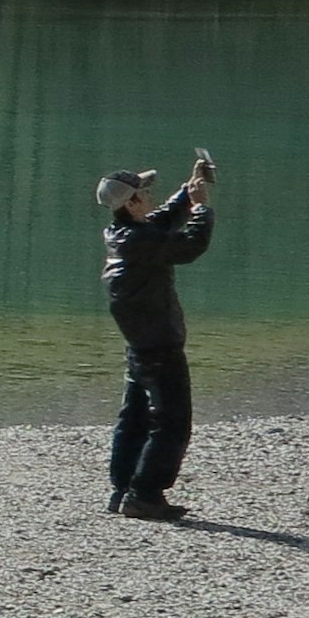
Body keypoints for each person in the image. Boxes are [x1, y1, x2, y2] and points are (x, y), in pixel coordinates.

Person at [101, 149, 216, 521]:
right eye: (143, 193)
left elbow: (162, 221)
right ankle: (146, 494)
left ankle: (122, 490)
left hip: (140, 346)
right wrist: (201, 210)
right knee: (172, 422)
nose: (149, 196)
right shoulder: (142, 242)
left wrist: (188, 190)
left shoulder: (126, 235)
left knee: (134, 417)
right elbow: (190, 246)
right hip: (160, 346)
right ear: (132, 203)